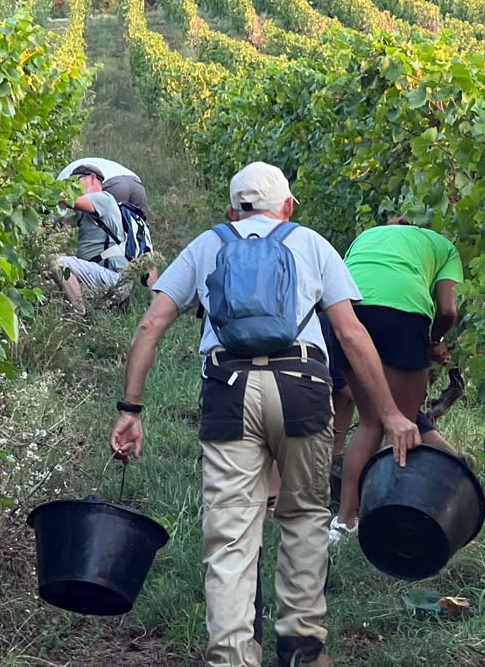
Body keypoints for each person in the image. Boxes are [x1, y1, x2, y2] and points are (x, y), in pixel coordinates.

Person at [108, 162, 420, 667]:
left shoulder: (209, 244)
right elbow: (352, 334)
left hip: (229, 390)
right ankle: (301, 646)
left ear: (232, 209)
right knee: (301, 518)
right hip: (302, 388)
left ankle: (232, 655)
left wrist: (131, 409)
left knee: (230, 533)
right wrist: (390, 413)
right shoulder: (311, 243)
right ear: (288, 206)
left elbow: (150, 327)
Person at [329, 219, 463, 544]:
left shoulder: (367, 235)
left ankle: (344, 522)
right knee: (404, 426)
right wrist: (434, 340)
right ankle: (404, 516)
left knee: (371, 423)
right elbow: (448, 309)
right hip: (404, 312)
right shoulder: (445, 248)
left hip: (348, 312)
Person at [52, 164, 129, 309]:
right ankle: (78, 311)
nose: (73, 187)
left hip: (114, 280)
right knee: (49, 270)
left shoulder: (103, 198)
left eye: (76, 181)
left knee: (59, 264)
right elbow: (61, 224)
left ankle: (79, 317)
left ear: (93, 178)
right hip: (101, 276)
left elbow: (72, 201)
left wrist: (50, 191)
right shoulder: (89, 212)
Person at [59, 157, 150, 217]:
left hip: (113, 184)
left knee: (101, 225)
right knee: (139, 227)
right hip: (136, 182)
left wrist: (60, 224)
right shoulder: (79, 167)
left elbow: (81, 207)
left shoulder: (61, 183)